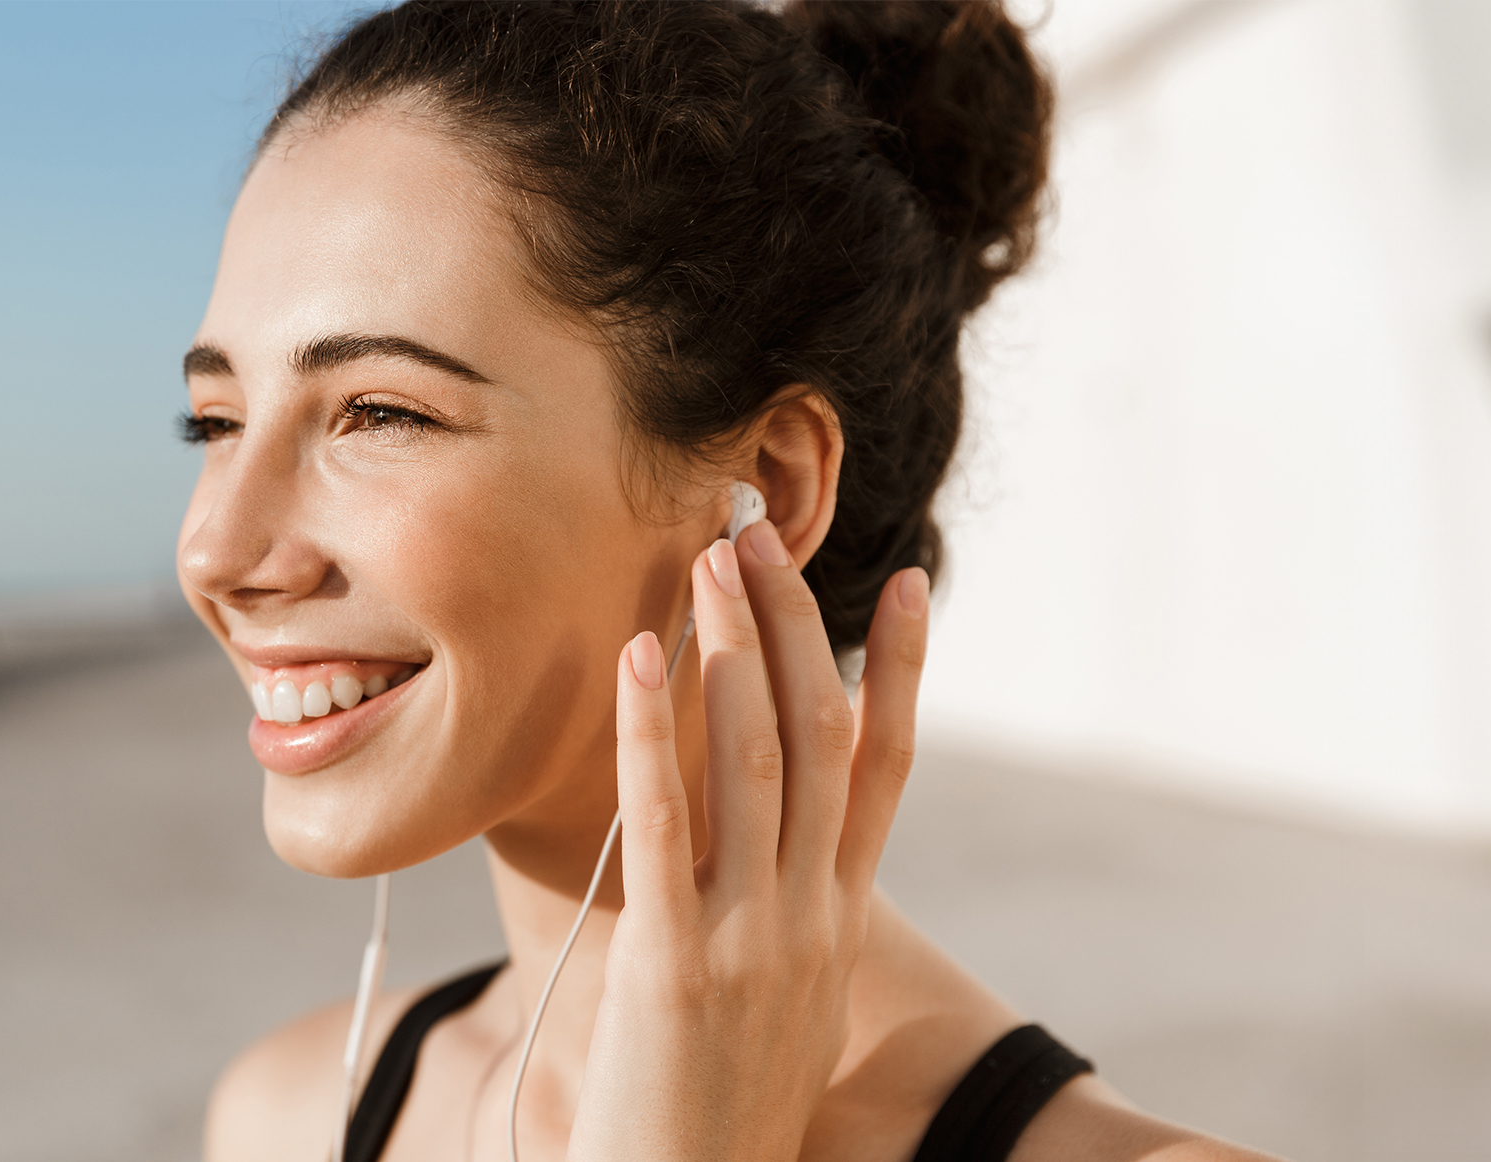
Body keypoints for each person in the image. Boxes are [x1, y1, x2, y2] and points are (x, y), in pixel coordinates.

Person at [178, 4, 1273, 1159]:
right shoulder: (286, 1118)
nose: (217, 551)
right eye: (213, 419)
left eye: (380, 412)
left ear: (768, 489)